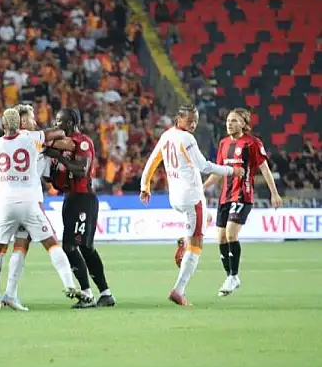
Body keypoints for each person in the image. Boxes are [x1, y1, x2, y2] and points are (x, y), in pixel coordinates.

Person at [0, 108, 85, 310]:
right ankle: (69, 284)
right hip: (30, 203)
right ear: (20, 123)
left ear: (2, 126)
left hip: (5, 204)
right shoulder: (33, 139)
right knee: (51, 244)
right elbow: (61, 135)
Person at [140, 104, 244, 306]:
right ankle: (178, 290)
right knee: (197, 244)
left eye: (195, 121)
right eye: (189, 121)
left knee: (207, 218)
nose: (193, 124)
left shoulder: (167, 135)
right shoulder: (187, 138)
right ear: (179, 119)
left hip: (175, 197)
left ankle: (185, 240)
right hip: (192, 197)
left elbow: (152, 161)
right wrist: (232, 171)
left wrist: (145, 186)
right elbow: (204, 166)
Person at [202, 108, 282, 297]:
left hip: (242, 195)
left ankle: (233, 276)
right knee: (221, 237)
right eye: (228, 121)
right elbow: (218, 172)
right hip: (225, 197)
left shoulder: (252, 143)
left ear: (244, 124)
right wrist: (202, 187)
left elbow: (264, 168)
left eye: (234, 121)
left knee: (231, 233)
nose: (229, 124)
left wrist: (274, 193)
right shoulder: (223, 143)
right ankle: (230, 277)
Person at [46, 108, 116, 308]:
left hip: (84, 198)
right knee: (84, 247)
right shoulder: (63, 144)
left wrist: (59, 158)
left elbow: (81, 170)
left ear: (69, 123)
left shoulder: (82, 142)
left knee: (72, 246)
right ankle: (105, 294)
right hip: (70, 199)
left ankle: (88, 294)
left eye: (59, 121)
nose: (56, 124)